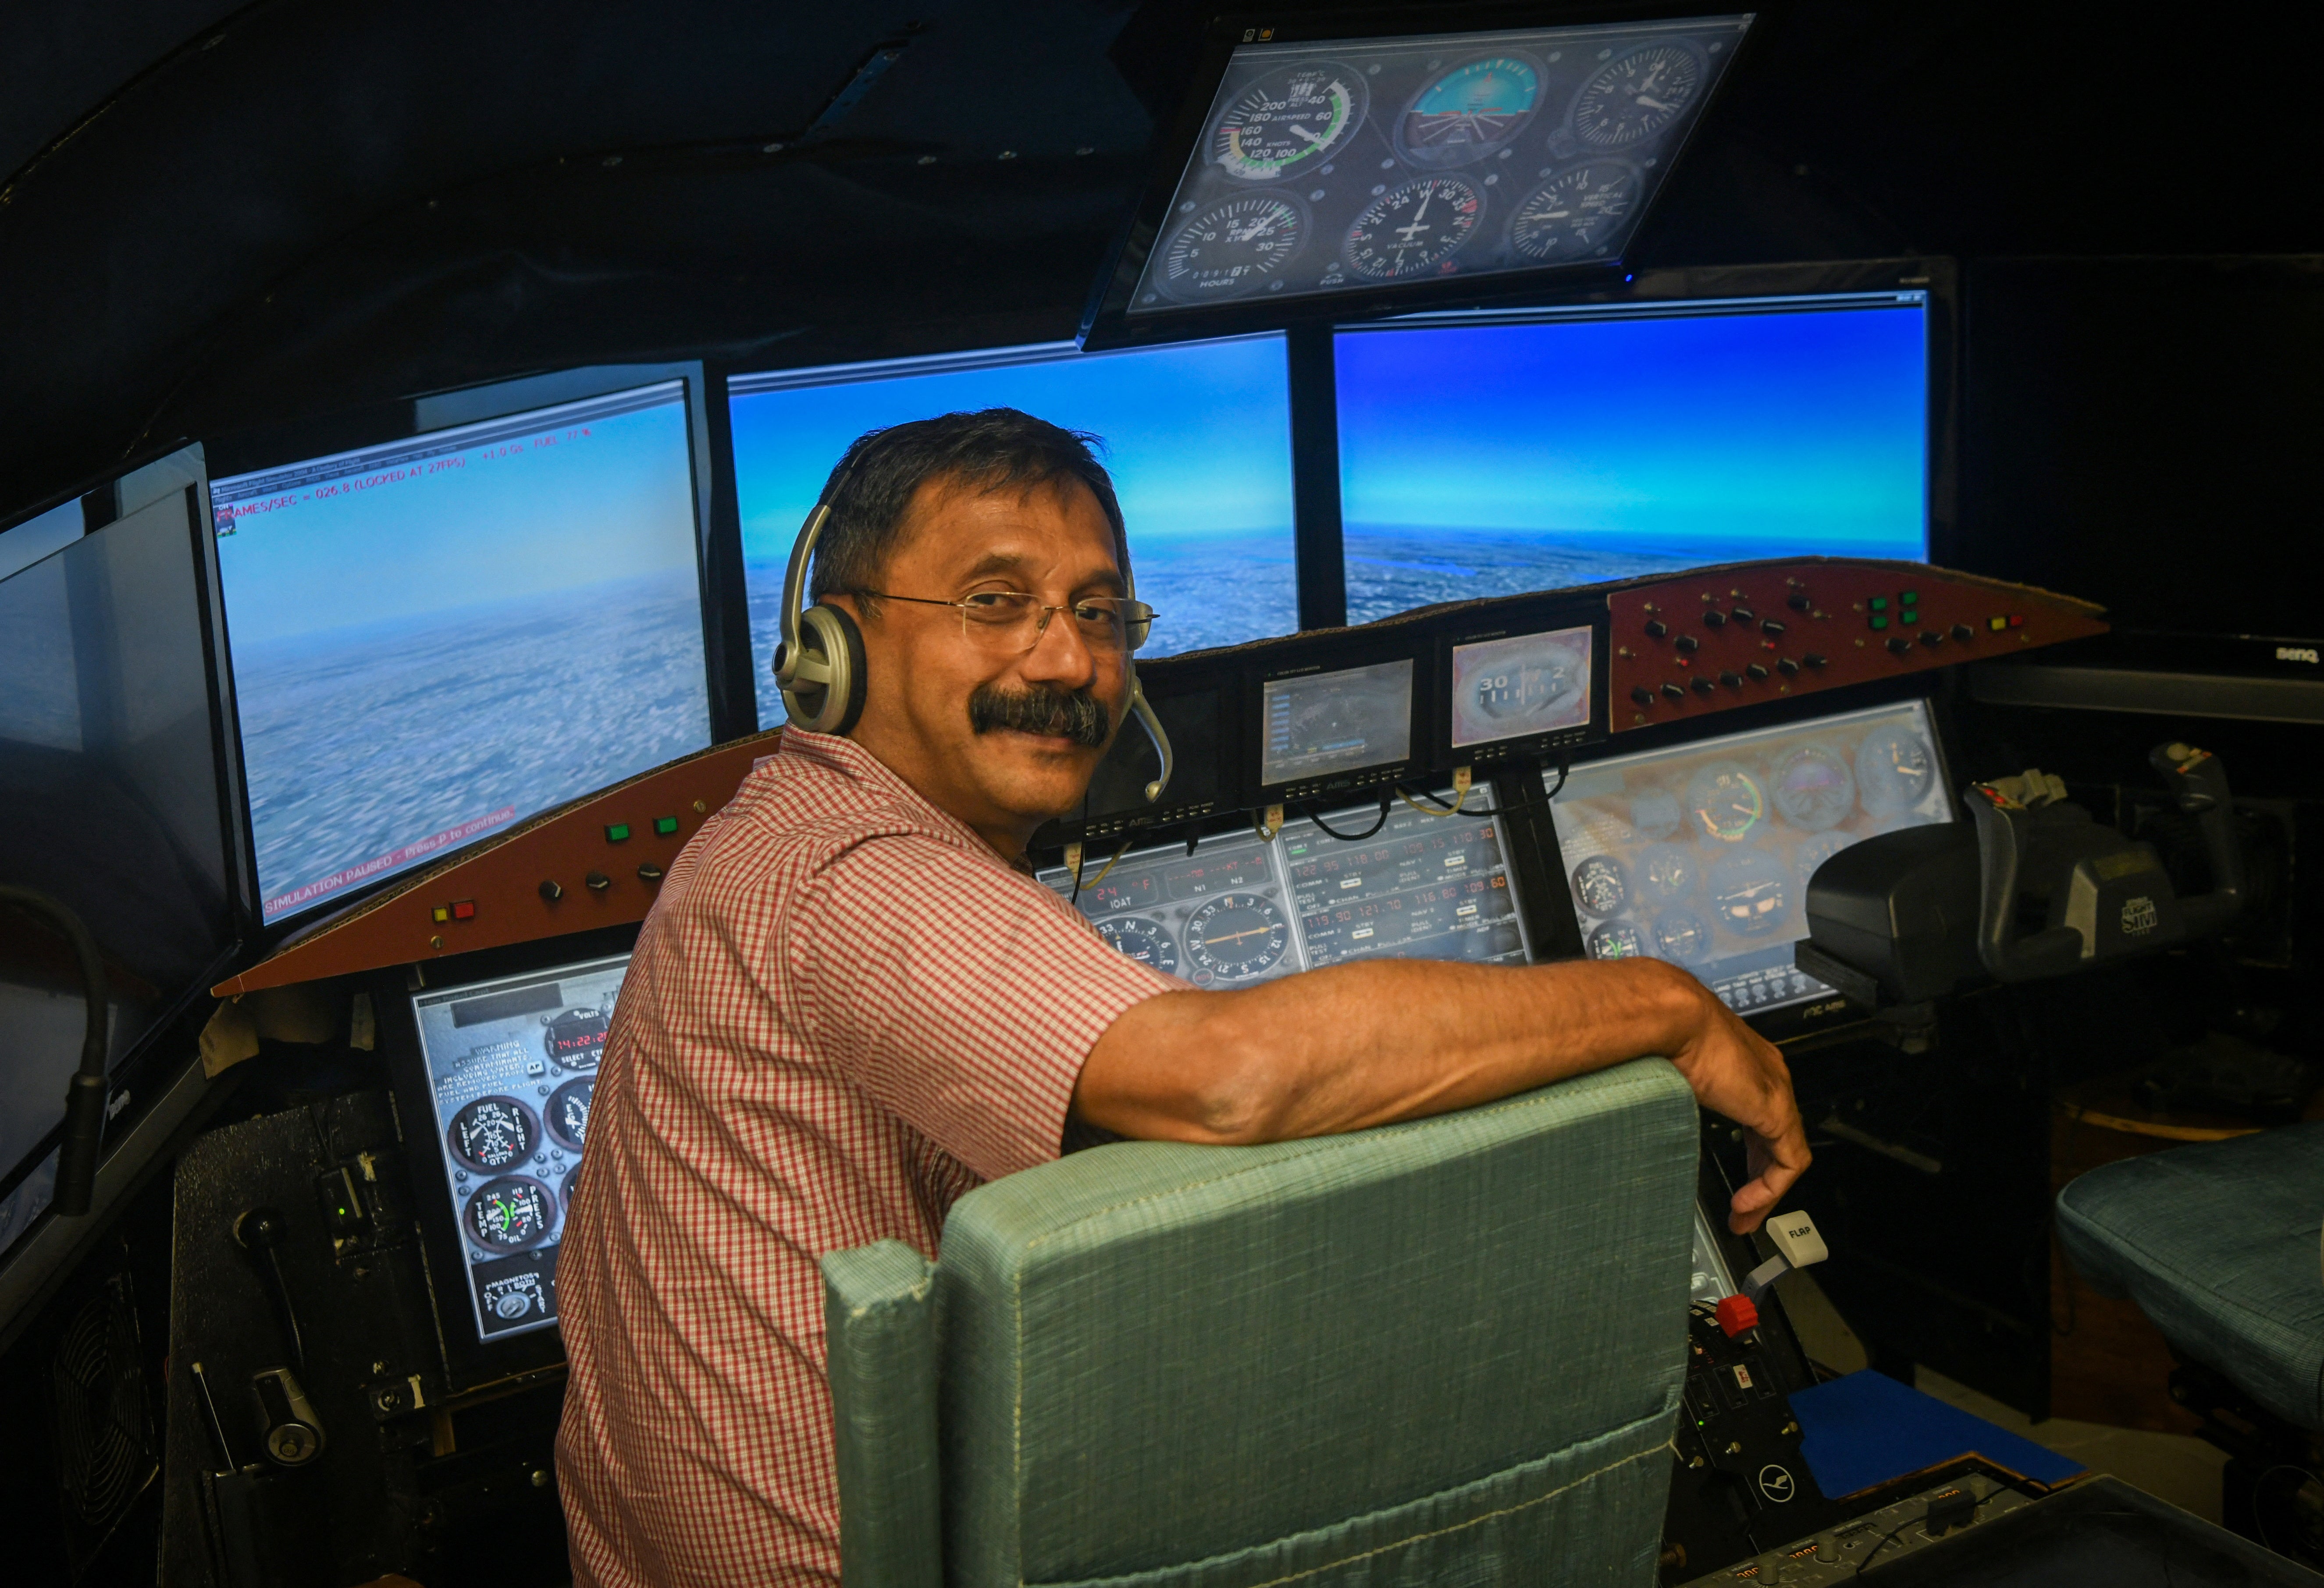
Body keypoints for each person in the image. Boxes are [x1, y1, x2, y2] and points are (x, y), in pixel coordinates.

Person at [553, 408, 1810, 1587]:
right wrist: (1665, 1006)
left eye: (1100, 613)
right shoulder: (850, 875)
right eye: (997, 604)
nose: (1067, 658)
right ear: (834, 644)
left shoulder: (800, 838)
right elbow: (1228, 1078)